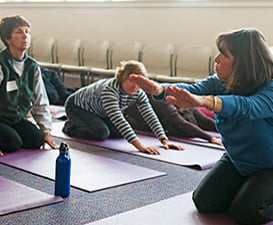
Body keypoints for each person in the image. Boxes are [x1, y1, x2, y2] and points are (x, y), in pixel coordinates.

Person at [129, 28, 273, 225]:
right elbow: (191, 90)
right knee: (204, 201)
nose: (216, 59)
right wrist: (160, 90)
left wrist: (205, 102)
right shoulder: (220, 82)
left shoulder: (270, 88)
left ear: (243, 62)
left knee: (246, 213)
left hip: (269, 166)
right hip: (238, 160)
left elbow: (246, 107)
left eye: (224, 54)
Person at [62, 60, 184, 155]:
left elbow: (149, 114)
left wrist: (164, 139)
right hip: (77, 107)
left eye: (139, 82)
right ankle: (70, 126)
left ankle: (86, 123)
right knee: (101, 133)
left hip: (100, 111)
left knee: (120, 133)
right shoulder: (110, 90)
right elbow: (118, 119)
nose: (135, 86)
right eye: (131, 81)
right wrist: (140, 147)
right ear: (123, 78)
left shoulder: (138, 92)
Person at [0, 15, 58, 155]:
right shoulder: (1, 64)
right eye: (19, 32)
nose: (25, 36)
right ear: (8, 39)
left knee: (37, 140)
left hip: (16, 118)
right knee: (13, 143)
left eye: (27, 31)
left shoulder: (32, 66)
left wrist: (46, 131)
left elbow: (41, 101)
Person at [124, 95, 222, 145]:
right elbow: (181, 124)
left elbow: (203, 119)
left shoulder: (184, 99)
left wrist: (222, 129)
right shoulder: (165, 102)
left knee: (196, 122)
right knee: (177, 127)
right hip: (132, 119)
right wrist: (210, 138)